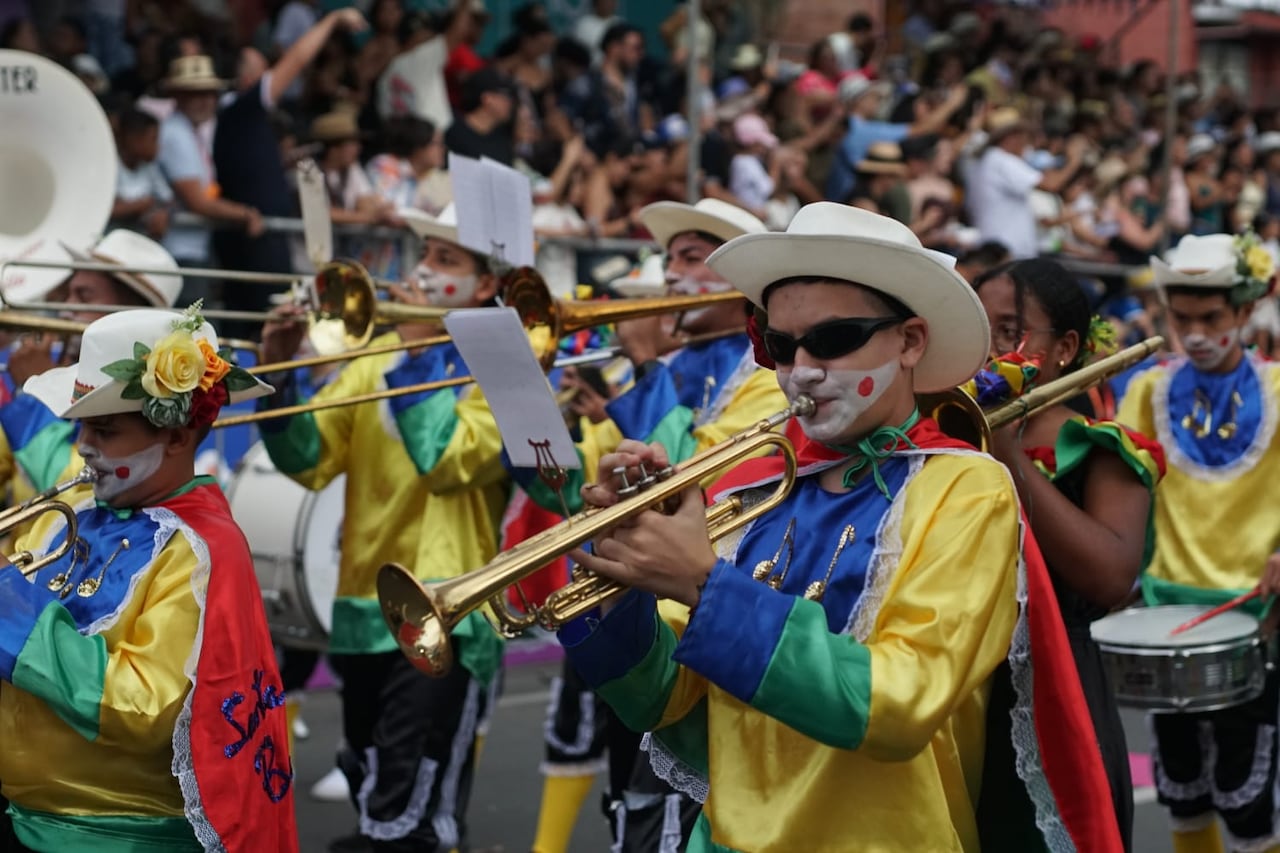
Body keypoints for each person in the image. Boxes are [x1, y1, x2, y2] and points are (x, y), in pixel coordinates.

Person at [557, 202, 1123, 851]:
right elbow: (663, 700)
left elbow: (902, 703)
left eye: (833, 340)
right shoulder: (755, 483)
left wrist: (706, 585)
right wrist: (624, 584)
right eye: (780, 345)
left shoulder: (967, 487)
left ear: (910, 341)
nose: (801, 367)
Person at [518, 198, 784, 853]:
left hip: (700, 632)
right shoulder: (673, 370)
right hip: (635, 622)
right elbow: (567, 487)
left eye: (691, 258)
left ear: (740, 283)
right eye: (669, 258)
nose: (669, 273)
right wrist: (519, 398)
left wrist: (643, 370)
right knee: (629, 811)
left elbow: (693, 485)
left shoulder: (769, 379)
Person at [256, 203, 507, 853]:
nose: (422, 271)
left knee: (410, 813)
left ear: (485, 282)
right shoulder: (376, 358)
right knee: (370, 789)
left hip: (449, 610)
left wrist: (418, 353)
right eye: (424, 255)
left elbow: (447, 460)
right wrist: (277, 377)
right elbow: (308, 459)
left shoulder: (502, 367)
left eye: (445, 259)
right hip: (364, 608)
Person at [1, 305, 294, 852]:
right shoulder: (79, 505)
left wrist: (18, 625)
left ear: (178, 436)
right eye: (81, 425)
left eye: (105, 430)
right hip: (22, 816)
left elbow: (146, 706)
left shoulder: (201, 549)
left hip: (112, 838)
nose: (83, 444)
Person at [973, 258, 1166, 851]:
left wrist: (1009, 458)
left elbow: (1110, 576)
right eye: (977, 329)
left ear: (1065, 348)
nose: (987, 350)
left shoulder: (1101, 447)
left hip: (1061, 693)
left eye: (1009, 331)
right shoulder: (944, 434)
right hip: (959, 690)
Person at [1117, 232, 1280, 853]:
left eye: (1211, 317)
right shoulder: (1148, 391)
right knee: (1182, 788)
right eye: (1181, 319)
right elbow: (1124, 488)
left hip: (1256, 613)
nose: (1195, 334)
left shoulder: (1279, 389)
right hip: (1169, 618)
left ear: (1246, 310)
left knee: (1247, 792)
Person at [0, 231, 181, 543]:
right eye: (68, 295)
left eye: (83, 297)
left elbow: (76, 485)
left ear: (129, 313)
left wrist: (32, 401)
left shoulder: (147, 395)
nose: (65, 309)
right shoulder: (62, 370)